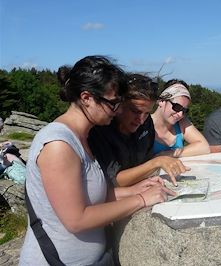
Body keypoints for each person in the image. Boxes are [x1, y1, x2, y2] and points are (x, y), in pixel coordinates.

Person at [19, 56, 175, 265]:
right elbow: (77, 219)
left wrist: (136, 189)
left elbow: (92, 196)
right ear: (86, 98)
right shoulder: (59, 145)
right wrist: (142, 200)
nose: (118, 110)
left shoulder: (83, 137)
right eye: (113, 103)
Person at [88, 74, 189, 187]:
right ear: (120, 104)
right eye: (135, 111)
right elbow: (115, 180)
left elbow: (145, 162)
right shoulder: (101, 132)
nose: (141, 120)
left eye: (146, 113)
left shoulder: (146, 123)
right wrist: (156, 162)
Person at [151, 79, 210, 158]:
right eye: (177, 107)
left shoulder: (181, 123)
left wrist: (168, 154)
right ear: (162, 101)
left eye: (184, 110)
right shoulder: (144, 124)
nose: (180, 114)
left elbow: (204, 147)